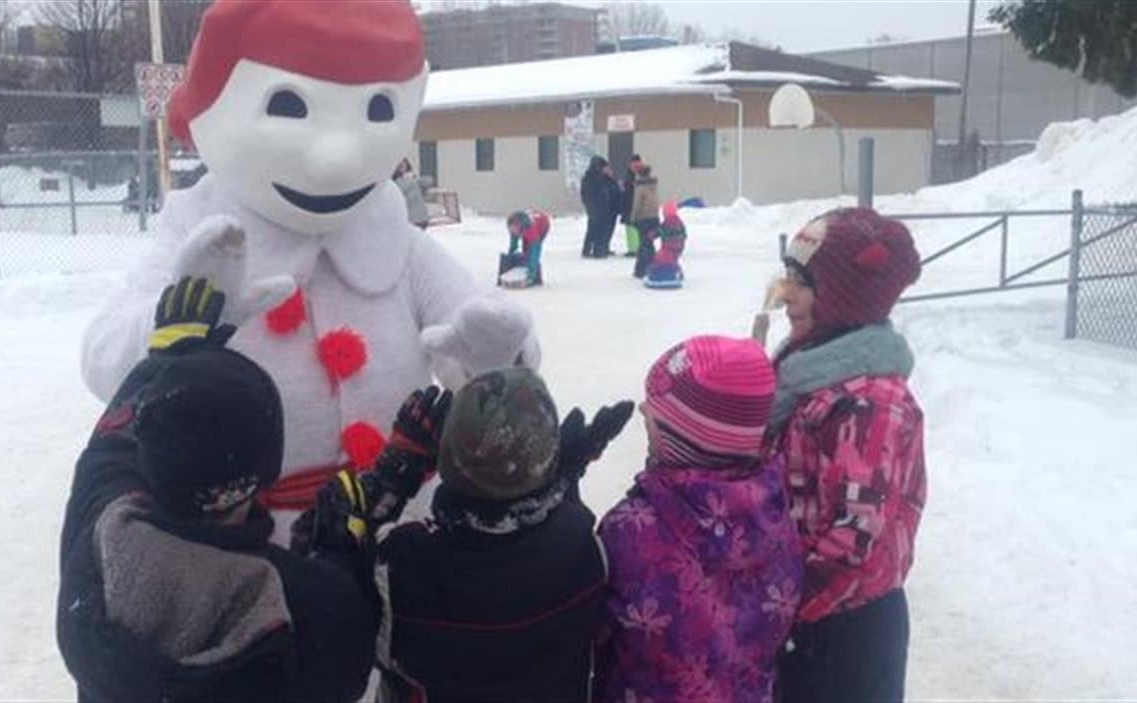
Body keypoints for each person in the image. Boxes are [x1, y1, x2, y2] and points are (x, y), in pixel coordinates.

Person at [80, 0, 540, 545]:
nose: (339, 160)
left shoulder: (398, 241)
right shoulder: (198, 230)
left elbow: (483, 325)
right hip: (257, 559)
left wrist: (493, 363)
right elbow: (103, 357)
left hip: (400, 534)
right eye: (289, 106)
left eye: (377, 110)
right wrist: (178, 326)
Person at [57, 276, 375, 703]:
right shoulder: (304, 597)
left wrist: (167, 361)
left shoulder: (97, 542)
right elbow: (348, 670)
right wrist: (343, 555)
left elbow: (110, 448)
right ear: (266, 467)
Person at [300, 368, 634, 702]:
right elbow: (543, 546)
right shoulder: (584, 548)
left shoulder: (403, 564)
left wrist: (392, 475)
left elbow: (320, 622)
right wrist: (561, 476)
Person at [770, 208, 927, 703]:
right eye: (788, 276)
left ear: (845, 299)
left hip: (842, 627)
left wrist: (774, 608)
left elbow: (852, 539)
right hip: (809, 613)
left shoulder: (867, 402)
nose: (785, 295)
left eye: (803, 283)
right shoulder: (808, 372)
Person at [593, 335, 803, 703]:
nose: (643, 411)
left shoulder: (633, 530)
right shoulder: (775, 508)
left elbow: (592, 633)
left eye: (656, 413)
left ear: (688, 437)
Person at [580, 156, 620, 258]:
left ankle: (597, 248)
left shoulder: (600, 177)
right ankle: (595, 250)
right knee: (596, 230)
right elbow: (591, 194)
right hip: (598, 208)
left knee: (598, 230)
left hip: (602, 208)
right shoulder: (593, 178)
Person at [643, 199, 688, 289]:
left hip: (668, 248)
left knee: (659, 258)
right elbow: (684, 234)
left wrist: (650, 235)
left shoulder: (667, 222)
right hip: (679, 248)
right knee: (673, 260)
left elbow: (659, 231)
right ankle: (677, 272)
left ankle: (656, 273)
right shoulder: (680, 222)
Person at [629, 164, 660, 279]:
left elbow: (637, 204)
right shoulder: (653, 186)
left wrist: (633, 218)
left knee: (644, 245)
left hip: (643, 219)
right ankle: (652, 265)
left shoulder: (640, 187)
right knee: (649, 243)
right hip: (654, 218)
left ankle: (641, 270)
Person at [505, 209, 551, 287]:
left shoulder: (532, 232)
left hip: (543, 224)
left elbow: (535, 253)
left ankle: (534, 273)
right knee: (525, 249)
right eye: (511, 231)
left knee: (531, 251)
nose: (512, 233)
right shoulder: (514, 226)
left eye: (513, 231)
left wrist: (530, 276)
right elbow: (514, 242)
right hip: (528, 221)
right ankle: (526, 263)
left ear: (518, 226)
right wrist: (511, 253)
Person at [394, 158, 431, 229]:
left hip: (421, 217)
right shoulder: (394, 181)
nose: (401, 165)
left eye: (403, 163)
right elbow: (401, 190)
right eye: (399, 164)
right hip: (408, 218)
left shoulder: (412, 178)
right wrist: (409, 179)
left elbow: (428, 182)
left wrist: (415, 178)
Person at [619, 154, 643, 257]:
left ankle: (635, 248)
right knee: (631, 228)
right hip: (629, 205)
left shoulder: (638, 175)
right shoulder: (631, 175)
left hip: (635, 205)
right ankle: (634, 248)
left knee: (634, 228)